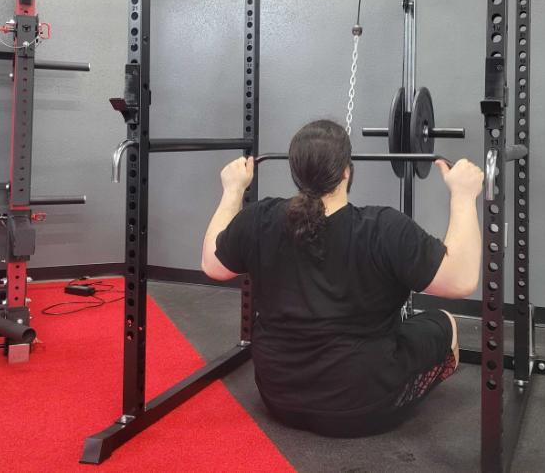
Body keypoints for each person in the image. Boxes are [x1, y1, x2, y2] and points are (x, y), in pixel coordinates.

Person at [201, 119, 484, 437]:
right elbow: (460, 281)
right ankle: (410, 390)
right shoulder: (385, 228)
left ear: (295, 172)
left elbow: (214, 265)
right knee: (445, 323)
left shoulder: (258, 219)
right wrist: (463, 195)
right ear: (347, 171)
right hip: (367, 407)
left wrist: (233, 190)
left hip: (279, 398)